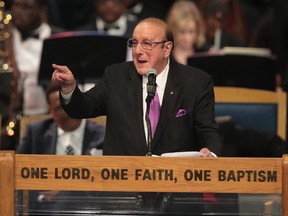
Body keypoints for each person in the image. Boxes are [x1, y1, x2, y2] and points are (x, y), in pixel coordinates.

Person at [52, 17, 222, 157]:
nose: (138, 51)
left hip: (176, 188)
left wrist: (211, 155)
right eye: (134, 43)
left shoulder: (196, 82)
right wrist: (69, 88)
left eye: (147, 43)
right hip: (123, 188)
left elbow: (207, 131)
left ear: (167, 48)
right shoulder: (116, 77)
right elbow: (82, 109)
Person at [16, 81, 105, 211]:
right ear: (50, 110)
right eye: (60, 107)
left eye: (71, 103)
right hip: (45, 209)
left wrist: (64, 189)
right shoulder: (36, 133)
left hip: (86, 208)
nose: (68, 111)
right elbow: (16, 171)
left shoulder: (102, 136)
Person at [11, 0, 64, 116]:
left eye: (27, 7)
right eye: (16, 5)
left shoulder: (61, 39)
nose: (18, 12)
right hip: (11, 118)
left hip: (50, 116)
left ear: (43, 11)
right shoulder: (5, 39)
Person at [166, 0, 211, 64]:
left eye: (191, 31)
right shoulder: (165, 56)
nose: (187, 38)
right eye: (182, 32)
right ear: (173, 31)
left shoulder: (205, 53)